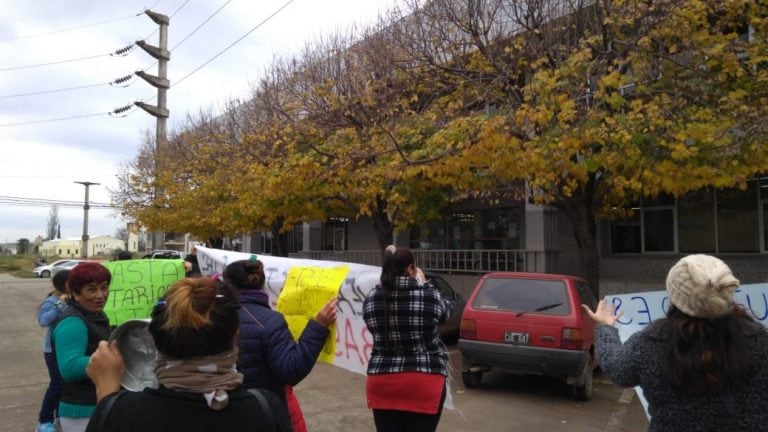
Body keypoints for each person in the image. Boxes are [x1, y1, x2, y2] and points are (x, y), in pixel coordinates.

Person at [583, 254, 768, 431]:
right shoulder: (760, 341)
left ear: (674, 295)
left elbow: (617, 369)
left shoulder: (649, 343)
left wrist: (606, 327)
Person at [84, 277, 293, 432]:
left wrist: (106, 393)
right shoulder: (263, 409)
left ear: (154, 337)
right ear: (236, 335)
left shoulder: (123, 413)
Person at [222, 259, 337, 432]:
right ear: (262, 284)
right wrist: (318, 326)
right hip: (262, 415)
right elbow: (291, 369)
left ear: (227, 284)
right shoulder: (268, 321)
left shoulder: (209, 315)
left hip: (217, 411)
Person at [363, 245, 453, 432]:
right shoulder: (429, 296)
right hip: (424, 380)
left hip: (382, 381)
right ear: (411, 268)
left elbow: (369, 323)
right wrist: (424, 283)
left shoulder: (372, 297)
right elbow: (447, 312)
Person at [51, 262, 112, 432]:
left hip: (98, 405)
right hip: (81, 413)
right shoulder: (73, 322)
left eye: (104, 288)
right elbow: (69, 367)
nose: (100, 295)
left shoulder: (96, 314)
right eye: (91, 289)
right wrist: (113, 358)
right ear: (76, 294)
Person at [36, 269, 71, 432]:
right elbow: (43, 321)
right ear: (64, 285)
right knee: (56, 384)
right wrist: (59, 304)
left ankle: (59, 416)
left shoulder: (73, 299)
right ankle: (44, 421)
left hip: (66, 348)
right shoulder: (51, 301)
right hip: (53, 350)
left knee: (65, 384)